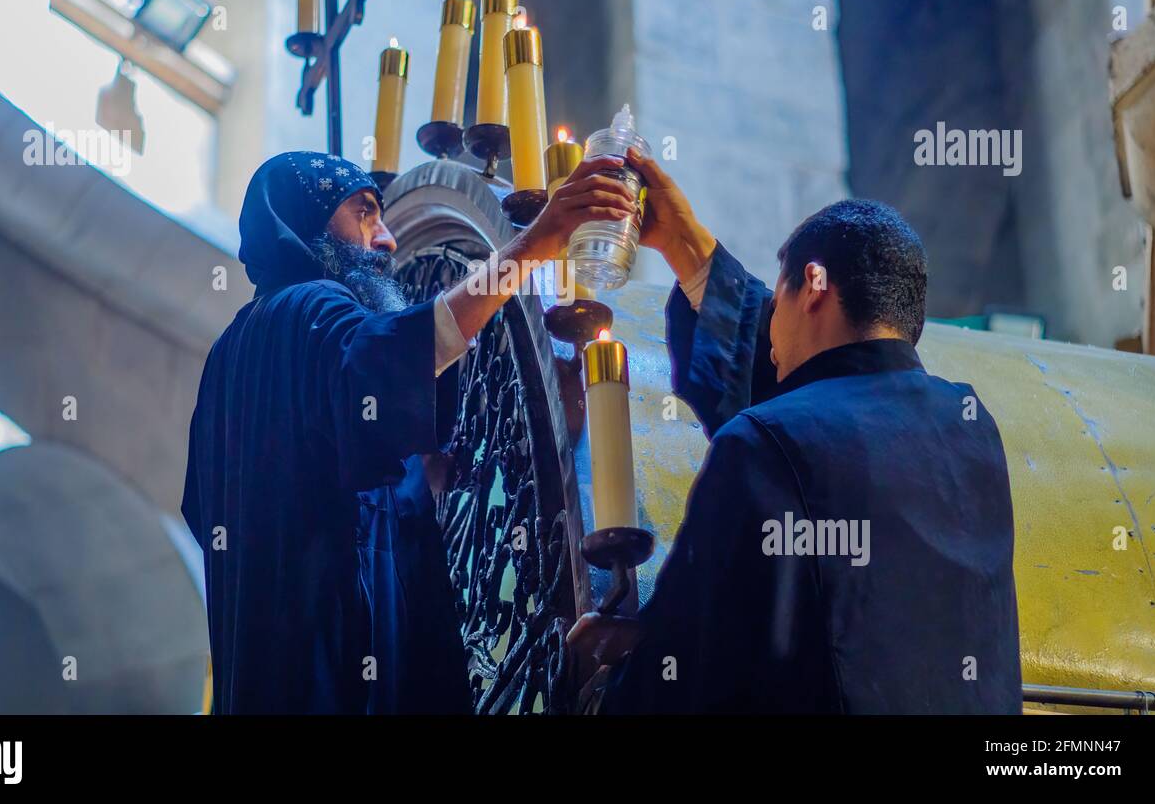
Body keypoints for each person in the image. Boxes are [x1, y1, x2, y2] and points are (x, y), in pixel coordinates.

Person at [570, 149, 1022, 713]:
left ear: (813, 283)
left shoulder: (759, 446)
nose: (771, 342)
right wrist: (685, 246)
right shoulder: (972, 430)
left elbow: (690, 663)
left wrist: (614, 669)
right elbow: (830, 413)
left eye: (777, 298)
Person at [183, 151, 635, 713]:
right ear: (305, 221)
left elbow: (327, 482)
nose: (387, 239)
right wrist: (529, 249)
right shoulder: (309, 306)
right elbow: (386, 360)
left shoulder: (235, 355)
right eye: (365, 213)